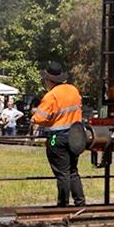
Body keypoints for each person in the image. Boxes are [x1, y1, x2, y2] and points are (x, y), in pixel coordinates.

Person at [32, 60, 86, 207]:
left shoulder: (51, 96)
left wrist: (34, 116)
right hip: (75, 136)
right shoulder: (73, 90)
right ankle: (80, 203)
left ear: (48, 80)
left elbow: (40, 118)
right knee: (73, 171)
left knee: (62, 173)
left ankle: (63, 205)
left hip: (57, 137)